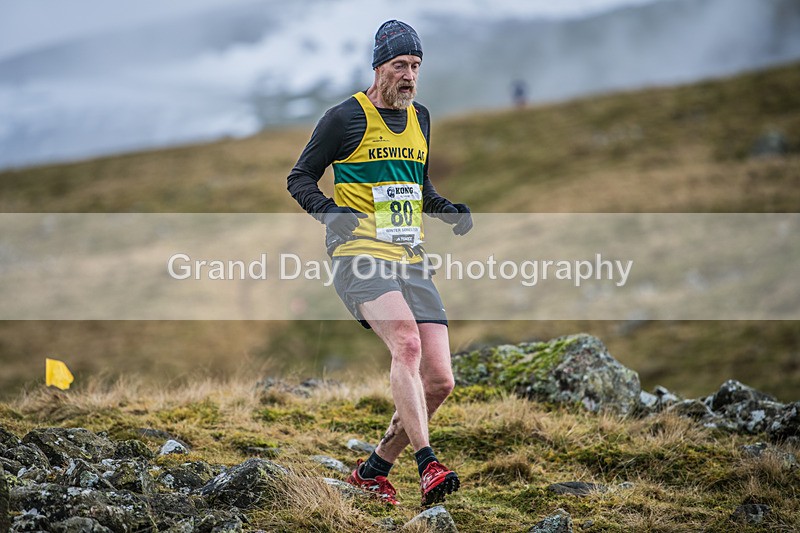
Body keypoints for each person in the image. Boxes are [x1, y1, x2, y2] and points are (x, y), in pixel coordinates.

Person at [286, 20, 473, 506]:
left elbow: (417, 185)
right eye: (400, 66)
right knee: (406, 344)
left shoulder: (421, 118)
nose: (410, 76)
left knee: (440, 380)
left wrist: (447, 210)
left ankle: (374, 469)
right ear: (378, 68)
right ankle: (428, 464)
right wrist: (330, 213)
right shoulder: (343, 118)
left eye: (416, 66)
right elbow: (299, 177)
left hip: (410, 258)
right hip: (359, 255)